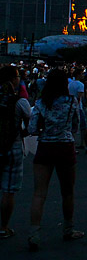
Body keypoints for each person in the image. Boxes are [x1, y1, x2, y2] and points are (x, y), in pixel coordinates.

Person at [27, 69, 82, 250]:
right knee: (67, 192)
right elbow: (75, 126)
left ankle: (34, 233)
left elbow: (33, 128)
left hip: (45, 146)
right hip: (65, 146)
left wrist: (45, 130)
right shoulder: (72, 102)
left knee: (39, 193)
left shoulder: (41, 102)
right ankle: (68, 229)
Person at [0, 65, 31, 239]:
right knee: (8, 190)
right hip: (12, 147)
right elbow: (30, 124)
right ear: (13, 79)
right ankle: (3, 226)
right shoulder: (19, 102)